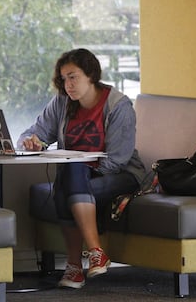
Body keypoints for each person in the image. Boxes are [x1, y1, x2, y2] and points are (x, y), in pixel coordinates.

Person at [18, 48, 146, 289]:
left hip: (122, 175)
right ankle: (96, 254)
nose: (68, 85)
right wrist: (31, 142)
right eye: (63, 79)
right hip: (79, 175)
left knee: (70, 178)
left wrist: (83, 173)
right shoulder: (62, 102)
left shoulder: (118, 105)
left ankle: (75, 267)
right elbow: (32, 133)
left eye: (73, 77)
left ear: (90, 75)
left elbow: (118, 159)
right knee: (71, 171)